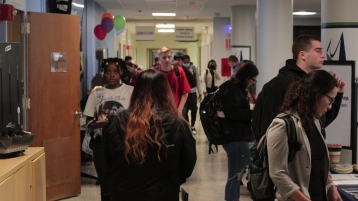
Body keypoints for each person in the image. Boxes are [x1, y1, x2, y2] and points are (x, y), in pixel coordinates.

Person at [102, 69, 197, 201]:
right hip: (163, 193)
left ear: (137, 91)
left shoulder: (115, 122)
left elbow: (107, 162)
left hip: (124, 193)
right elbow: (188, 163)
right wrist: (169, 180)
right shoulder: (177, 124)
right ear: (165, 93)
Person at [267, 70, 343, 201]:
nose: (330, 107)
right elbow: (278, 173)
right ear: (316, 95)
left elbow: (320, 162)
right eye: (330, 100)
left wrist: (331, 186)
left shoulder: (316, 121)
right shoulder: (282, 125)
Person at [252, 35, 345, 140]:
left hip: (310, 152)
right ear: (302, 55)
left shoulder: (311, 84)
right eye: (318, 51)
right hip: (290, 153)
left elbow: (320, 123)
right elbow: (270, 126)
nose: (323, 55)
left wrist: (338, 96)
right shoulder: (282, 83)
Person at [83, 58, 134, 201]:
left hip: (125, 142)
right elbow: (88, 121)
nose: (112, 75)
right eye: (108, 72)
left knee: (124, 184)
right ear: (104, 74)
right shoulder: (96, 93)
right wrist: (95, 124)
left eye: (115, 72)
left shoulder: (131, 91)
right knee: (106, 186)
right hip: (102, 144)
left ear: (122, 72)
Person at [221, 62, 259, 201]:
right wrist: (252, 112)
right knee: (235, 177)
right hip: (236, 138)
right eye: (252, 79)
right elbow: (232, 112)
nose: (252, 83)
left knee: (236, 176)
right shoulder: (234, 89)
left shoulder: (234, 88)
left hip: (236, 137)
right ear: (246, 77)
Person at [152, 46, 191, 115]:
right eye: (164, 57)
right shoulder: (153, 71)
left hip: (175, 109)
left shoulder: (179, 71)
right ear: (159, 59)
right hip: (157, 110)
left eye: (169, 57)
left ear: (172, 58)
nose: (167, 60)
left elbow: (185, 92)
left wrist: (179, 109)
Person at [182, 55, 203, 134]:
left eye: (187, 62)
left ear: (189, 60)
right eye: (185, 62)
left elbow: (197, 80)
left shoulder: (193, 68)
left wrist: (200, 93)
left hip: (192, 92)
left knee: (194, 109)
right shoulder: (181, 69)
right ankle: (187, 125)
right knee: (185, 111)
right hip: (184, 93)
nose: (186, 63)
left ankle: (193, 125)